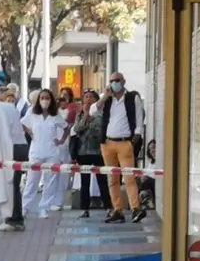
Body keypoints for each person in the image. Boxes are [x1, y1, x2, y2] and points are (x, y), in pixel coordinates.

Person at [90, 71, 146, 223]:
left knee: (129, 177)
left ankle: (135, 208)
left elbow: (139, 119)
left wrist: (135, 138)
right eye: (112, 81)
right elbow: (93, 110)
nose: (114, 83)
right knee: (112, 179)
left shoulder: (132, 97)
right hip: (108, 143)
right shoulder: (108, 99)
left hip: (125, 142)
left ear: (123, 81)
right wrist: (105, 96)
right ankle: (117, 210)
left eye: (117, 80)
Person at [20, 88, 68, 220]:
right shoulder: (32, 114)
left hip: (52, 152)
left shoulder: (55, 116)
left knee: (50, 182)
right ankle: (24, 207)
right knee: (31, 181)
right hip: (36, 152)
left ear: (51, 100)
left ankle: (44, 208)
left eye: (47, 98)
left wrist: (61, 140)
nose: (44, 100)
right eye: (42, 98)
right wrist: (29, 131)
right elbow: (22, 123)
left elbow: (66, 128)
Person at [72, 89, 112, 218]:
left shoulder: (101, 114)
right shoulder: (80, 115)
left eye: (91, 97)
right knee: (85, 182)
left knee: (102, 181)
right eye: (86, 97)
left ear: (96, 100)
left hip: (98, 151)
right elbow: (77, 129)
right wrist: (85, 115)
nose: (88, 99)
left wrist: (89, 119)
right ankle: (85, 209)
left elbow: (99, 129)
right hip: (83, 152)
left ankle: (108, 207)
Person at [0, 87, 29, 230]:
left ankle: (13, 219)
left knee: (11, 184)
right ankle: (15, 217)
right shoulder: (14, 112)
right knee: (14, 184)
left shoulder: (5, 112)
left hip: (13, 148)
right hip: (20, 147)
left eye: (12, 100)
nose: (10, 102)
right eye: (8, 100)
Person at [57, 87, 80, 209]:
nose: (64, 96)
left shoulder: (73, 107)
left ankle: (63, 199)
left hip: (69, 140)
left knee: (66, 170)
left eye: (66, 94)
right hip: (56, 141)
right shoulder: (55, 109)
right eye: (62, 94)